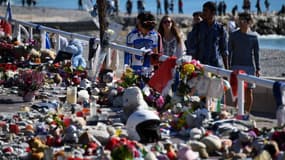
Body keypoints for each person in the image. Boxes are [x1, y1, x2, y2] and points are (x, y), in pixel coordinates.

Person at [228, 12, 260, 115]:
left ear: (249, 22)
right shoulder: (233, 35)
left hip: (249, 67)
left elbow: (256, 54)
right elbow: (229, 52)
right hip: (235, 66)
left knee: (248, 91)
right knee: (236, 92)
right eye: (239, 20)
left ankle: (246, 114)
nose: (240, 23)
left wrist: (258, 68)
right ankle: (237, 113)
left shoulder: (254, 37)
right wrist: (228, 67)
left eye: (243, 21)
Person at [186, 1, 229, 69]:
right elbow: (192, 49)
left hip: (216, 67)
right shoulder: (198, 27)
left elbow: (224, 51)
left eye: (205, 10)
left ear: (213, 12)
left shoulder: (220, 29)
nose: (203, 13)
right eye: (203, 10)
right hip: (201, 66)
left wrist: (227, 70)